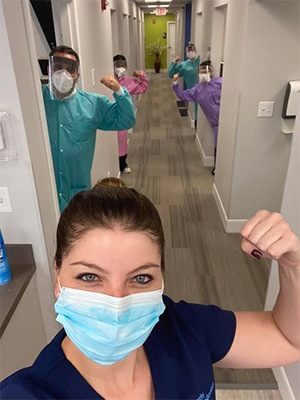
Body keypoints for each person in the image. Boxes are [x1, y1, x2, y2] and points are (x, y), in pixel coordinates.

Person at [1, 178, 300, 400]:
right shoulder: (25, 394)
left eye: (140, 278)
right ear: (57, 278)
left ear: (161, 278)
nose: (117, 301)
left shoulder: (184, 329)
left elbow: (288, 340)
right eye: (90, 277)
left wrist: (294, 265)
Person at [42, 45, 136, 212]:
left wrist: (119, 90)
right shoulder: (35, 99)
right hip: (44, 190)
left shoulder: (93, 104)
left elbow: (126, 120)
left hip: (76, 192)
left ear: (77, 74)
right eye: (57, 68)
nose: (63, 75)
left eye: (70, 69)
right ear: (49, 69)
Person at [173, 60, 221, 175]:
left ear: (211, 71)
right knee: (218, 145)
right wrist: (175, 84)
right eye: (201, 72)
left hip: (227, 119)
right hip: (215, 123)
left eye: (206, 71)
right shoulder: (197, 89)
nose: (203, 74)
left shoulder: (220, 82)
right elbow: (183, 96)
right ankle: (217, 166)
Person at [113, 54, 149, 174]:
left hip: (122, 116)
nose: (120, 68)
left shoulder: (128, 82)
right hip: (109, 114)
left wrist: (141, 75)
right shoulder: (109, 80)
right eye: (117, 66)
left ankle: (122, 163)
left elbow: (143, 87)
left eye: (123, 66)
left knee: (122, 139)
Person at [167, 42, 200, 128]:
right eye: (188, 51)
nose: (190, 52)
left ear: (196, 51)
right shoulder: (184, 65)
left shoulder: (200, 61)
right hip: (193, 93)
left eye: (191, 50)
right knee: (197, 112)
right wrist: (174, 62)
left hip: (204, 92)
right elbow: (171, 74)